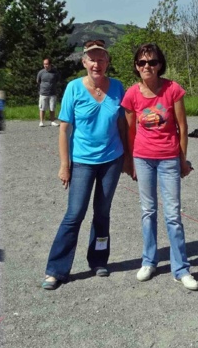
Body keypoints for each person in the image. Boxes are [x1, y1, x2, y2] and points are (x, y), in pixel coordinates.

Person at [41, 40, 126, 290]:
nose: (96, 64)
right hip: (82, 162)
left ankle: (99, 260)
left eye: (101, 59)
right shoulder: (74, 88)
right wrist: (64, 164)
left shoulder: (118, 87)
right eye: (92, 59)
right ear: (84, 62)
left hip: (112, 159)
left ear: (107, 62)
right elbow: (64, 130)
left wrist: (129, 158)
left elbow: (123, 125)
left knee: (102, 213)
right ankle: (56, 269)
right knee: (74, 213)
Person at [121, 43, 198, 291]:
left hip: (168, 159)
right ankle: (149, 261)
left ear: (160, 65)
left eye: (152, 62)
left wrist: (183, 160)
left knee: (173, 215)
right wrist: (130, 161)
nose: (147, 67)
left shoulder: (172, 89)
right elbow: (131, 130)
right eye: (142, 63)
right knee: (148, 211)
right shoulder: (132, 94)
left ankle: (181, 268)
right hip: (143, 158)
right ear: (136, 66)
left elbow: (182, 128)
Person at [37, 57, 59, 127]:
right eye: (44, 64)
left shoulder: (55, 72)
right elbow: (38, 81)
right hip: (43, 93)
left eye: (46, 64)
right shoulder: (41, 72)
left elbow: (57, 80)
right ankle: (41, 122)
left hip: (53, 93)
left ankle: (52, 121)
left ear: (50, 64)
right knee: (42, 108)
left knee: (52, 108)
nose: (45, 65)